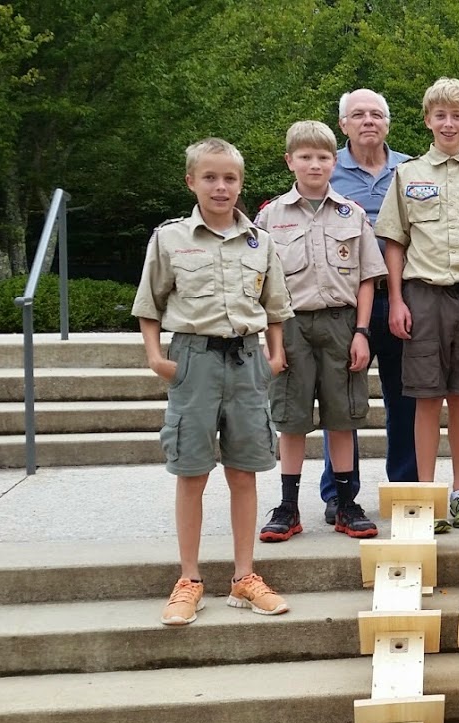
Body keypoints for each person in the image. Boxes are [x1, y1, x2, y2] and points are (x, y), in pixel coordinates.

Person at [132, 137, 293, 625]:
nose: (221, 187)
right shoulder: (170, 239)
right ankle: (189, 580)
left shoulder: (260, 241)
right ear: (191, 182)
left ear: (241, 183)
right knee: (192, 472)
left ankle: (245, 577)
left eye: (230, 178)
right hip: (194, 360)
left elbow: (276, 306)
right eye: (210, 177)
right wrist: (157, 358)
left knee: (244, 473)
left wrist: (276, 355)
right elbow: (149, 303)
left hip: (246, 363)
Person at [376, 77, 459, 530]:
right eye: (440, 115)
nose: (449, 123)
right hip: (422, 295)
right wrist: (395, 300)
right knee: (426, 398)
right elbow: (394, 240)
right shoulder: (407, 175)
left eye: (457, 115)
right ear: (428, 119)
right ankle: (428, 495)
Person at [255, 120, 386, 541]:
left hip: (341, 324)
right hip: (290, 324)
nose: (315, 164)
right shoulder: (270, 217)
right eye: (306, 157)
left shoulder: (352, 213)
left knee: (342, 416)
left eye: (323, 157)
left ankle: (347, 503)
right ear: (289, 160)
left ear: (335, 161)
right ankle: (287, 506)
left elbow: (368, 277)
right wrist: (272, 341)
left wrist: (362, 332)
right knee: (292, 419)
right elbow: (259, 284)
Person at [321, 88, 415, 526]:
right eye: (357, 115)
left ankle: (406, 487)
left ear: (388, 124)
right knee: (342, 401)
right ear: (343, 125)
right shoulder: (325, 170)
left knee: (405, 397)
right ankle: (339, 493)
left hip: (399, 299)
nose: (368, 121)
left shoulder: (411, 170)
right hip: (345, 306)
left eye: (377, 114)